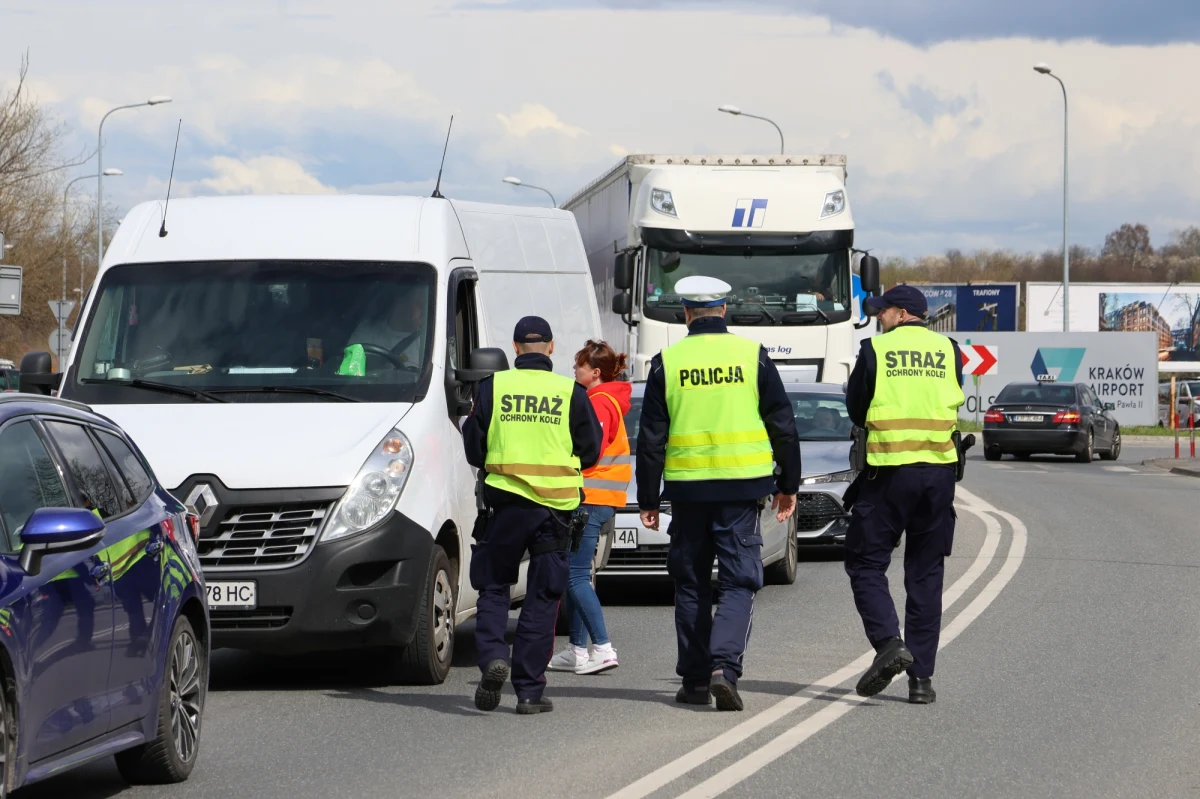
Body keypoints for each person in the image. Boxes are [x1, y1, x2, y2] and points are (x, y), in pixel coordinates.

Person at [636, 275, 801, 711]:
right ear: (724, 310)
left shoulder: (666, 362)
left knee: (691, 584)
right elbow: (782, 424)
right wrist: (788, 486)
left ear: (686, 313)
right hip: (741, 491)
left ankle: (693, 683)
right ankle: (723, 669)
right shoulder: (751, 357)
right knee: (739, 581)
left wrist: (649, 499)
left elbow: (651, 438)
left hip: (688, 492)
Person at [462, 316, 602, 715]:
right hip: (554, 511)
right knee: (543, 597)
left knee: (493, 586)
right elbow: (591, 450)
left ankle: (492, 659)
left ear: (515, 347)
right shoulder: (569, 391)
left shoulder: (493, 387)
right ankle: (528, 692)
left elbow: (474, 449)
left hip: (504, 506)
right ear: (552, 348)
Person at [843, 285, 965, 704]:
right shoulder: (949, 350)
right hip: (938, 476)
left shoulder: (875, 351)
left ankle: (889, 644)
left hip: (889, 475)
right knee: (926, 576)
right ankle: (922, 681)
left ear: (900, 313)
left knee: (865, 563)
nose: (879, 317)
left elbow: (857, 409)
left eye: (883, 311)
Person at [548, 340, 632, 675]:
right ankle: (577, 650)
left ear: (595, 372)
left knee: (577, 575)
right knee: (578, 574)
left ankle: (602, 648)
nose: (574, 369)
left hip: (590, 496)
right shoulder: (608, 398)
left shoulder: (598, 402)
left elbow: (588, 449)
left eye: (579, 365)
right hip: (600, 498)